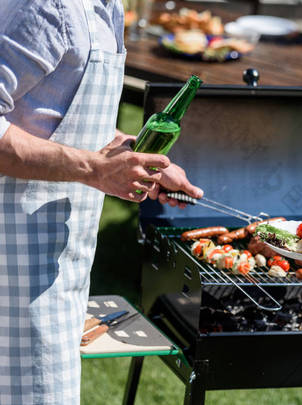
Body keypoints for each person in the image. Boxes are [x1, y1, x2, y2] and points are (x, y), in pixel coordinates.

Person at [0, 1, 201, 404]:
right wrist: (93, 168)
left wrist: (126, 153)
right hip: (12, 262)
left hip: (57, 259)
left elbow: (50, 115)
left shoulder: (105, 9)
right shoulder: (43, 8)